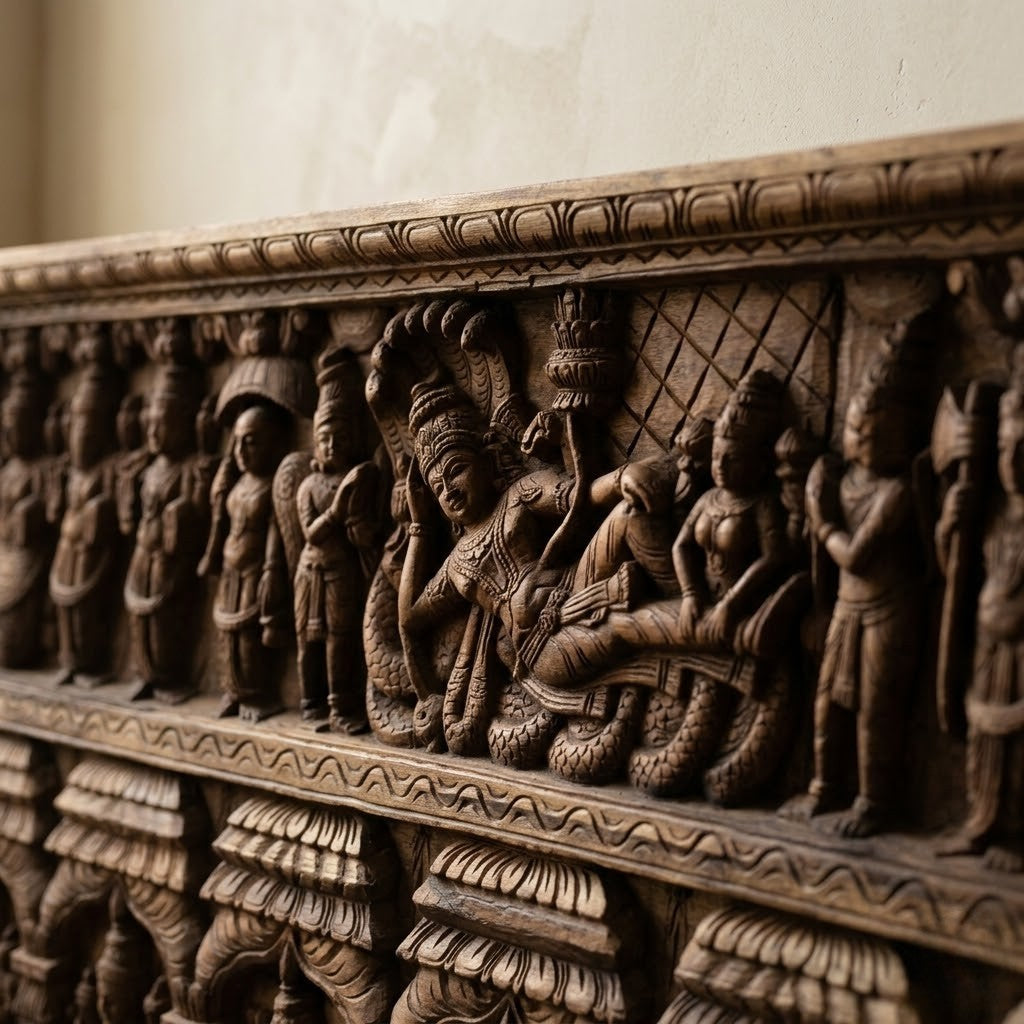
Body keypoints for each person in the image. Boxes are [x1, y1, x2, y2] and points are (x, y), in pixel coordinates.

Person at [399, 382, 681, 720]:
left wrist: (623, 478)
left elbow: (580, 496)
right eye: (438, 488)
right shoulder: (456, 564)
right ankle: (707, 627)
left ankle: (687, 593)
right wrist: (419, 527)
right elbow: (410, 619)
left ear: (488, 461)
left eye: (456, 470)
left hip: (575, 585)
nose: (449, 491)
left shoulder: (519, 495)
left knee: (629, 514)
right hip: (542, 640)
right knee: (628, 624)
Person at [937, 349, 1024, 870]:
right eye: (1007, 449)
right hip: (988, 649)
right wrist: (950, 525)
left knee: (1017, 756)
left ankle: (1014, 834)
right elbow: (957, 574)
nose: (1014, 463)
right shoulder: (994, 512)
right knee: (984, 744)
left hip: (1021, 656)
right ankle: (980, 821)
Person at [199, 404, 288, 720]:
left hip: (254, 572)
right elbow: (222, 526)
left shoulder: (270, 486)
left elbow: (275, 533)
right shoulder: (235, 486)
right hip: (230, 571)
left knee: (249, 639)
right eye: (236, 442)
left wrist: (271, 570)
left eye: (250, 442)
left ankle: (257, 694)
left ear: (272, 444)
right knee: (227, 638)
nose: (241, 451)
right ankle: (233, 691)